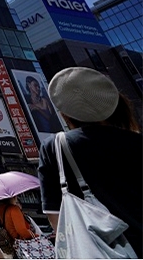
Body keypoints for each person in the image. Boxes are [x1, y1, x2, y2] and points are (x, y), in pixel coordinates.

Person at [38, 67, 142, 257]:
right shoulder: (136, 142)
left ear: (65, 114)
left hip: (96, 250)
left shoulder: (56, 146)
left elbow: (56, 217)